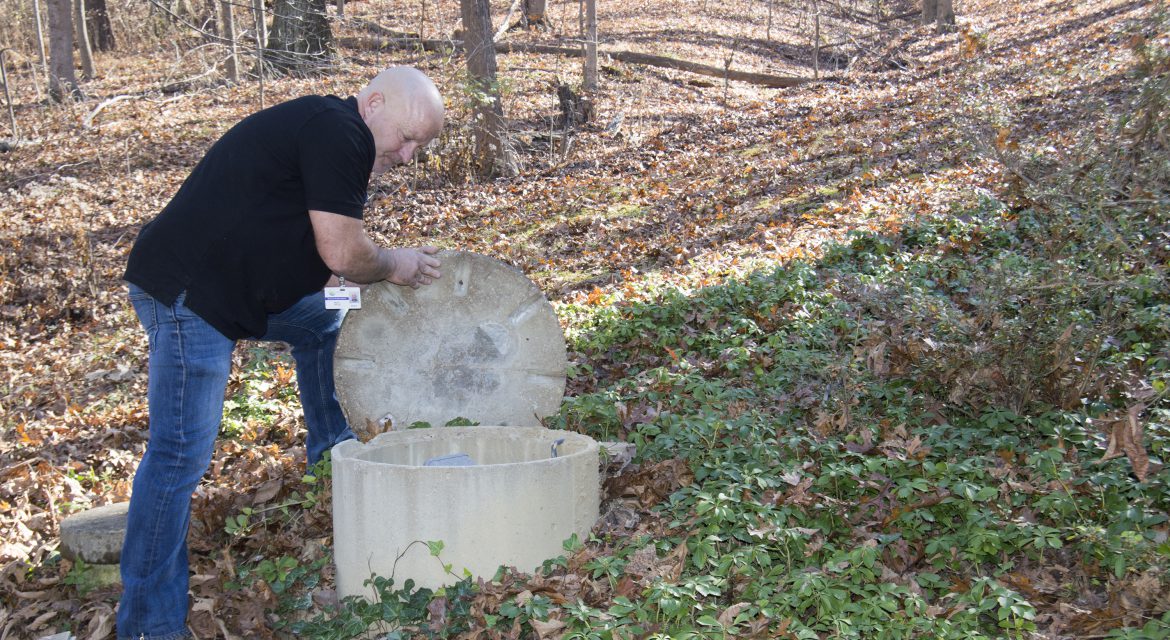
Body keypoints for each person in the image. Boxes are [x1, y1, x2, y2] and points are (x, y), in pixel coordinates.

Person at [116, 66, 445, 640]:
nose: (409, 155)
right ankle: (149, 624)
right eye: (409, 137)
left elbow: (316, 263)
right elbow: (343, 251)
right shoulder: (341, 131)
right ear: (373, 103)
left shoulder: (334, 136)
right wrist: (395, 265)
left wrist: (358, 291)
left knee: (328, 319)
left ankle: (332, 449)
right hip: (190, 297)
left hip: (238, 294)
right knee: (178, 458)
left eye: (420, 145)